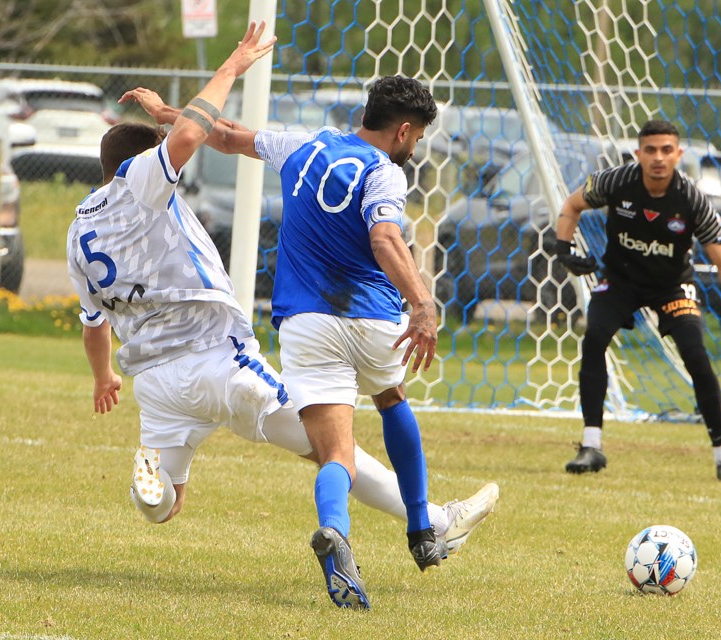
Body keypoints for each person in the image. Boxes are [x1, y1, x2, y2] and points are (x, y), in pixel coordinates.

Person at [68, 26, 498, 575]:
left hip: (156, 383)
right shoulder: (143, 181)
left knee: (166, 506)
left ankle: (147, 481)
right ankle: (427, 523)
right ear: (406, 131)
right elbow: (201, 134)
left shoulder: (78, 232)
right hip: (224, 357)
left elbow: (92, 321)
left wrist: (105, 376)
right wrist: (232, 66)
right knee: (341, 441)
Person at [553, 119, 721, 483]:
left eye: (666, 150)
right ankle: (591, 445)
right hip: (620, 280)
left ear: (678, 155)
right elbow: (572, 205)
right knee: (594, 338)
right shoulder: (615, 181)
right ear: (638, 154)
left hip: (672, 287)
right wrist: (563, 248)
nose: (658, 158)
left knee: (696, 356)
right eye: (650, 150)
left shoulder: (692, 200)